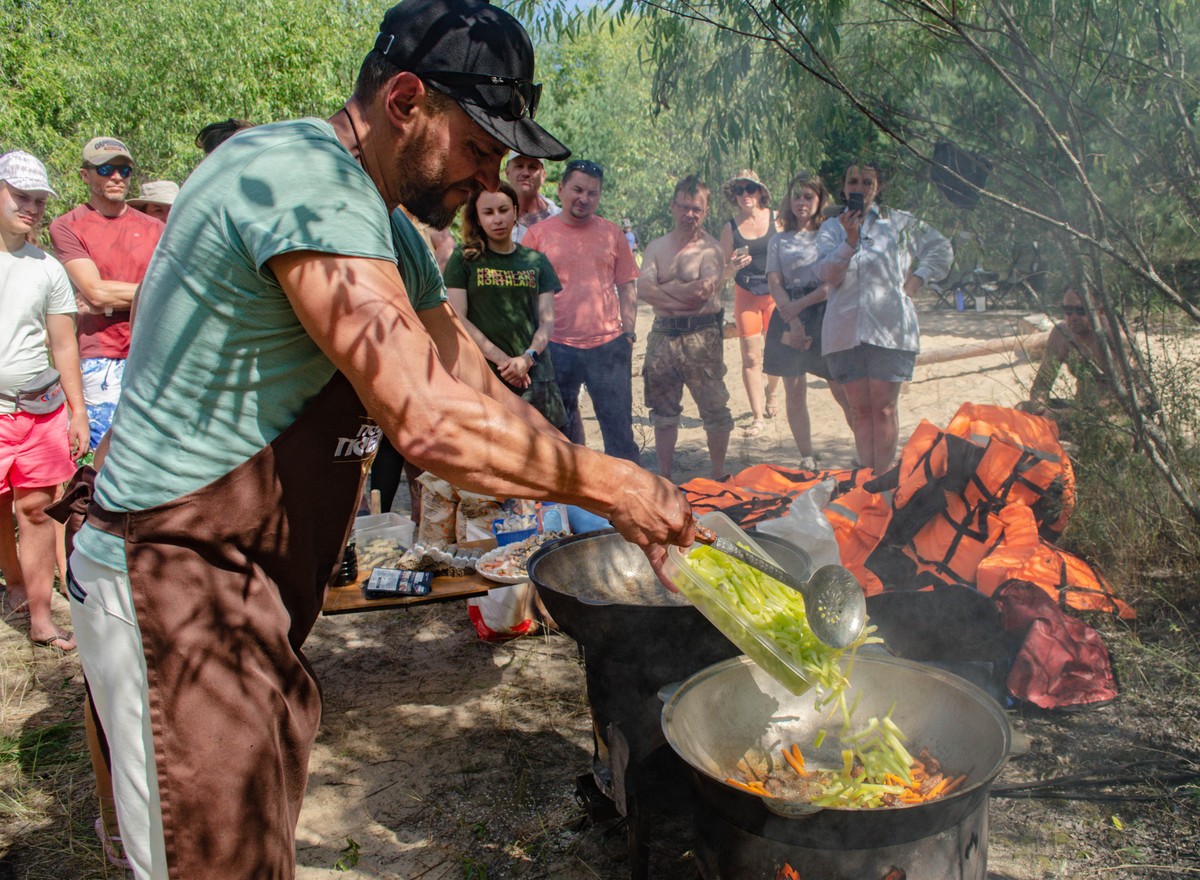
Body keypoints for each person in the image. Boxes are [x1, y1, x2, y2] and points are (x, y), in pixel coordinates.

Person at [59, 3, 693, 878]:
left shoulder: (387, 227)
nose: (488, 178)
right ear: (405, 101)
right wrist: (608, 485)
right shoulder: (295, 176)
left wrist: (596, 484)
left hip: (249, 582)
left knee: (240, 845)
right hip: (173, 571)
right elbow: (424, 418)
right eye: (478, 147)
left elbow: (466, 383)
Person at [0, 151, 89, 650]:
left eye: (38, 200)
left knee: (36, 508)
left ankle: (39, 616)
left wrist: (77, 410)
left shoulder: (48, 269)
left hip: (40, 407)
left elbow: (63, 344)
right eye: (20, 196)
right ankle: (12, 580)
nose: (31, 208)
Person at [817, 161, 952, 471]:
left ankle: (883, 477)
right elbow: (827, 275)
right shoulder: (830, 228)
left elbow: (941, 247)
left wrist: (918, 279)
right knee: (861, 410)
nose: (859, 188)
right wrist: (850, 242)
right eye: (853, 181)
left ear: (878, 187)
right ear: (843, 186)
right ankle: (868, 478)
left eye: (867, 182)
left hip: (890, 329)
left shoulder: (899, 223)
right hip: (844, 330)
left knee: (885, 409)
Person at [48, 137, 164, 450]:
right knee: (108, 456)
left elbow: (178, 286)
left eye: (124, 170)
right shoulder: (67, 226)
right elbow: (96, 292)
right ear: (86, 175)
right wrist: (157, 290)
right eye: (105, 169)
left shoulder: (156, 228)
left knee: (154, 451)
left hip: (155, 351)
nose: (116, 177)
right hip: (102, 357)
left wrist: (113, 297)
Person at [523, 158, 641, 463]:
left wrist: (628, 332)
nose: (584, 198)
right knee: (558, 434)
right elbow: (526, 294)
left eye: (592, 193)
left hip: (608, 345)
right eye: (577, 190)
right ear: (561, 190)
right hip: (556, 347)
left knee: (620, 434)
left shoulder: (612, 233)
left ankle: (626, 503)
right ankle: (565, 505)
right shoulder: (538, 236)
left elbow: (627, 285)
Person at [445, 183, 567, 429]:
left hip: (536, 376)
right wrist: (504, 361)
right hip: (486, 376)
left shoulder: (536, 261)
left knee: (549, 449)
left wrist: (527, 358)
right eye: (488, 213)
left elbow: (547, 321)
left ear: (515, 211)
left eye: (503, 210)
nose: (497, 219)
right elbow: (457, 317)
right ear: (477, 219)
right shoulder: (464, 259)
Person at [637, 176, 732, 480]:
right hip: (662, 335)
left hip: (701, 336)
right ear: (672, 207)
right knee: (663, 412)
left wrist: (664, 291)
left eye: (696, 209)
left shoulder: (711, 249)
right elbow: (644, 289)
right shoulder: (657, 246)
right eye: (684, 207)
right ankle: (664, 477)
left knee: (714, 409)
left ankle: (717, 475)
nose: (689, 214)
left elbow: (701, 294)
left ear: (705, 211)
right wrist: (681, 294)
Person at [764, 172, 846, 468]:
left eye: (808, 196)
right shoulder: (779, 240)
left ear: (820, 200)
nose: (802, 202)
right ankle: (807, 456)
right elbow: (775, 282)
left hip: (823, 312)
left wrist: (800, 307)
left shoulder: (831, 236)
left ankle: (864, 443)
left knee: (839, 384)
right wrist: (792, 316)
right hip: (787, 313)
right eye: (797, 196)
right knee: (794, 388)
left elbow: (832, 283)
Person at [719, 169, 781, 437]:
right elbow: (721, 272)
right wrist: (731, 266)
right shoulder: (729, 228)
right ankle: (757, 417)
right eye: (739, 190)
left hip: (775, 294)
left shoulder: (777, 219)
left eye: (750, 189)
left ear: (760, 192)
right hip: (746, 295)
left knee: (776, 354)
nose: (745, 194)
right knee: (751, 357)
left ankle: (772, 394)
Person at [1022, 286, 1120, 418]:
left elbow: (1133, 399)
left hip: (1111, 416)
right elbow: (1041, 385)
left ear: (1100, 311)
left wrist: (1065, 415)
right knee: (1022, 408)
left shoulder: (1114, 338)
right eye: (1068, 310)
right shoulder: (1061, 334)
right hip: (1080, 407)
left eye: (1081, 310)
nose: (1073, 317)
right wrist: (1039, 404)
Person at [505, 152, 560, 242]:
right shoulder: (494, 217)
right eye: (519, 166)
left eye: (532, 167)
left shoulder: (559, 218)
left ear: (543, 176)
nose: (526, 173)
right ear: (507, 173)